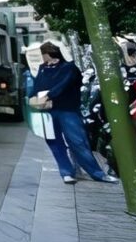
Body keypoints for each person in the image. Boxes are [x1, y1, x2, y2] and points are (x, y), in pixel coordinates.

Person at [31, 42, 118, 184]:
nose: (43, 57)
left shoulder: (69, 68)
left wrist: (49, 95)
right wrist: (33, 97)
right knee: (54, 142)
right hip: (47, 111)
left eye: (43, 54)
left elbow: (64, 85)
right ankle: (66, 172)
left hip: (67, 110)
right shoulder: (42, 68)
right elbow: (37, 86)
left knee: (78, 141)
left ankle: (97, 173)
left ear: (48, 53)